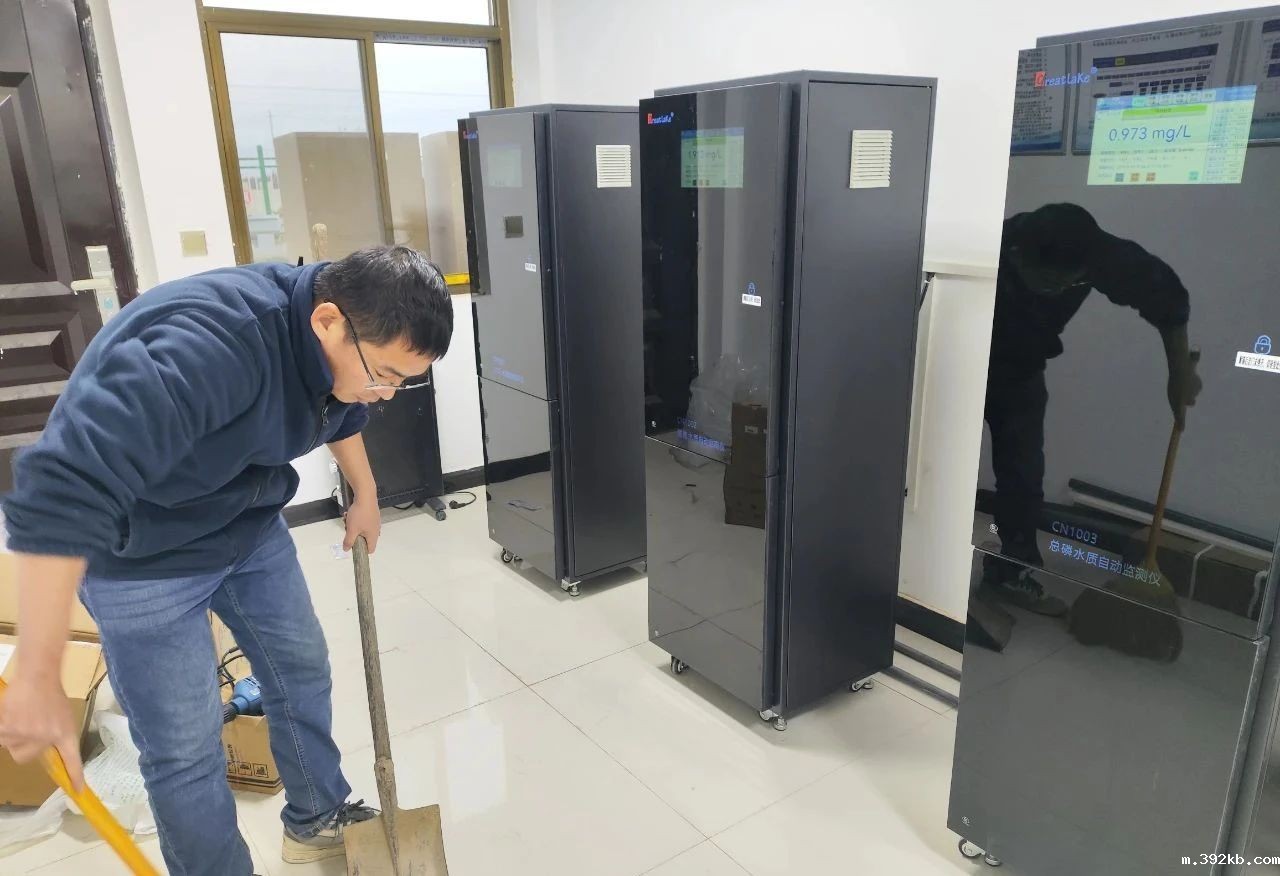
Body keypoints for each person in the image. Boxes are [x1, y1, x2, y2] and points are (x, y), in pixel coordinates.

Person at [0, 246, 453, 875]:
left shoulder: (340, 326)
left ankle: (316, 817)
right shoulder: (209, 349)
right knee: (185, 749)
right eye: (384, 375)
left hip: (245, 524)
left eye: (401, 382)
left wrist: (367, 492)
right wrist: (37, 669)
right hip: (144, 556)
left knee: (300, 671)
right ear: (327, 322)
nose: (385, 396)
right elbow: (63, 486)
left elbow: (341, 405)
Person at [982, 203, 1201, 616]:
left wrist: (1179, 374)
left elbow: (1167, 298)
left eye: (1066, 284)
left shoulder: (1102, 256)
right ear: (1017, 256)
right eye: (1044, 282)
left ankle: (1010, 573)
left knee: (1023, 475)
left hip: (1021, 371)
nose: (1053, 292)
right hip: (960, 356)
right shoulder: (993, 243)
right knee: (937, 463)